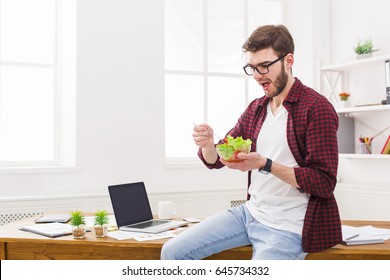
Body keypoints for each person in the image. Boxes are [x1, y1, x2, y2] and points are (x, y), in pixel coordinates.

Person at [161, 24, 342, 260]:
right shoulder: (257, 109)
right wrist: (208, 146)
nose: (257, 76)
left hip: (288, 226)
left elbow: (324, 182)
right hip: (250, 213)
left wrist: (265, 164)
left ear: (288, 61)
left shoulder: (316, 108)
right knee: (172, 252)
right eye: (252, 68)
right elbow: (217, 159)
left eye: (265, 66)